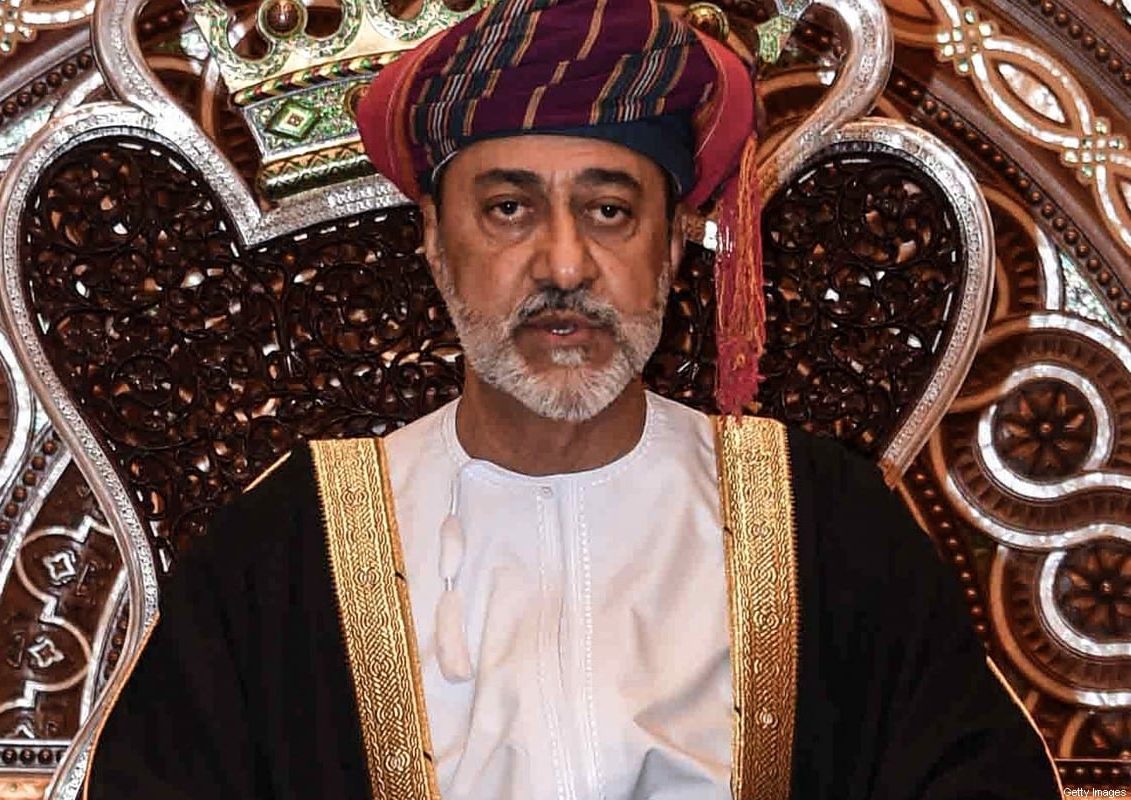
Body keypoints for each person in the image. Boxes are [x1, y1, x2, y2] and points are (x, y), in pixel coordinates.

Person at [84, 0, 1064, 798]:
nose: (563, 264)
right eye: (509, 209)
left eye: (609, 210)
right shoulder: (286, 549)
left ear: (673, 245)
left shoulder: (827, 525)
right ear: (435, 242)